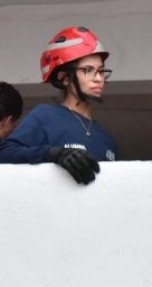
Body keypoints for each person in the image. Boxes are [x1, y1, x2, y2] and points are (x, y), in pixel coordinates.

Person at [0, 26, 118, 185]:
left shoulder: (107, 139)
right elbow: (4, 154)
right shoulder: (45, 117)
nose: (98, 78)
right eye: (88, 70)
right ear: (65, 78)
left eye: (101, 71)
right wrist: (53, 154)